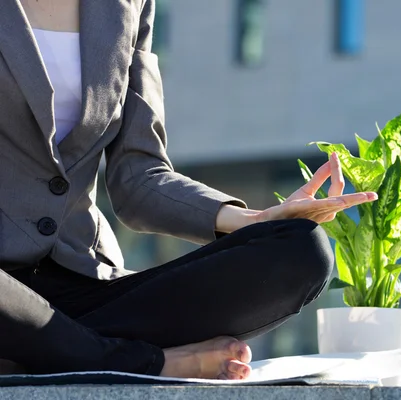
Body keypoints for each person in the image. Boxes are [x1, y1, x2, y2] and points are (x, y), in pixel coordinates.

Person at [0, 0, 377, 380]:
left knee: (301, 250)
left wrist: (253, 220)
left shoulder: (128, 5)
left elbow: (138, 176)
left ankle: (58, 352)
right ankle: (139, 362)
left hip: (82, 288)